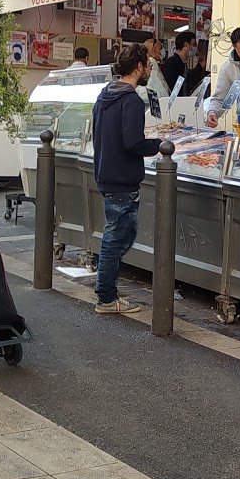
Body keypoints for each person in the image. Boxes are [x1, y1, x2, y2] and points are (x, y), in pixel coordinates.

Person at [91, 43, 163, 314]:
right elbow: (133, 142)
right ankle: (106, 298)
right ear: (138, 67)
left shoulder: (104, 96)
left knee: (121, 235)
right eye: (147, 65)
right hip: (122, 179)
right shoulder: (131, 100)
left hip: (107, 173)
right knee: (115, 239)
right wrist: (159, 143)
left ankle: (106, 289)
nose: (149, 70)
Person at [162, 30, 197, 96]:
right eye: (193, 44)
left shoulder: (181, 63)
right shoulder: (172, 64)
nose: (195, 48)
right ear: (186, 45)